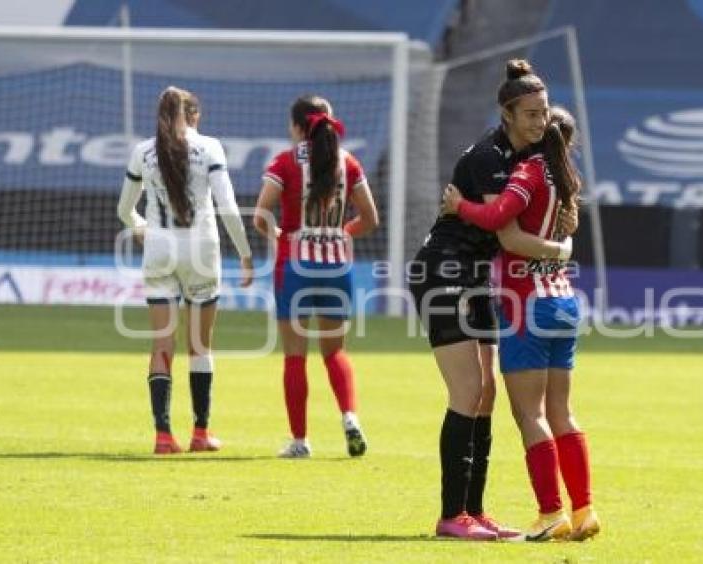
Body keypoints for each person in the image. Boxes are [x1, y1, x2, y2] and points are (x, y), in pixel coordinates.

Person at [408, 59, 578, 540]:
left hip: (476, 277)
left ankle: (475, 512)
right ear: (507, 114)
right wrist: (559, 248)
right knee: (466, 392)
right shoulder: (489, 157)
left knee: (486, 393)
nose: (541, 122)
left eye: (544, 113)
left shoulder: (527, 160)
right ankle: (450, 516)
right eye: (530, 114)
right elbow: (507, 234)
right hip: (441, 272)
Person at [441, 102, 601, 542]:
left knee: (528, 413)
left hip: (526, 303)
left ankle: (551, 513)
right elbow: (562, 231)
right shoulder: (568, 181)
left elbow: (499, 222)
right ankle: (584, 509)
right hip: (564, 301)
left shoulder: (530, 173)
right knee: (562, 411)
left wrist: (461, 206)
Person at [117, 86, 254, 455]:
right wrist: (244, 254)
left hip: (160, 249)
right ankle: (200, 433)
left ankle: (163, 436)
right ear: (194, 115)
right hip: (201, 251)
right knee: (200, 345)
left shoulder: (142, 151)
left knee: (162, 341)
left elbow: (124, 210)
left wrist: (143, 228)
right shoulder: (209, 148)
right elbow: (227, 207)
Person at [253, 94, 379, 459]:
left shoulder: (285, 162)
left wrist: (279, 235)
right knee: (335, 351)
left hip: (295, 265)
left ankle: (300, 441)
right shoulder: (348, 162)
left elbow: (261, 214)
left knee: (295, 356)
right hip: (337, 266)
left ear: (296, 126)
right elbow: (370, 218)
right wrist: (341, 233)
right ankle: (350, 418)